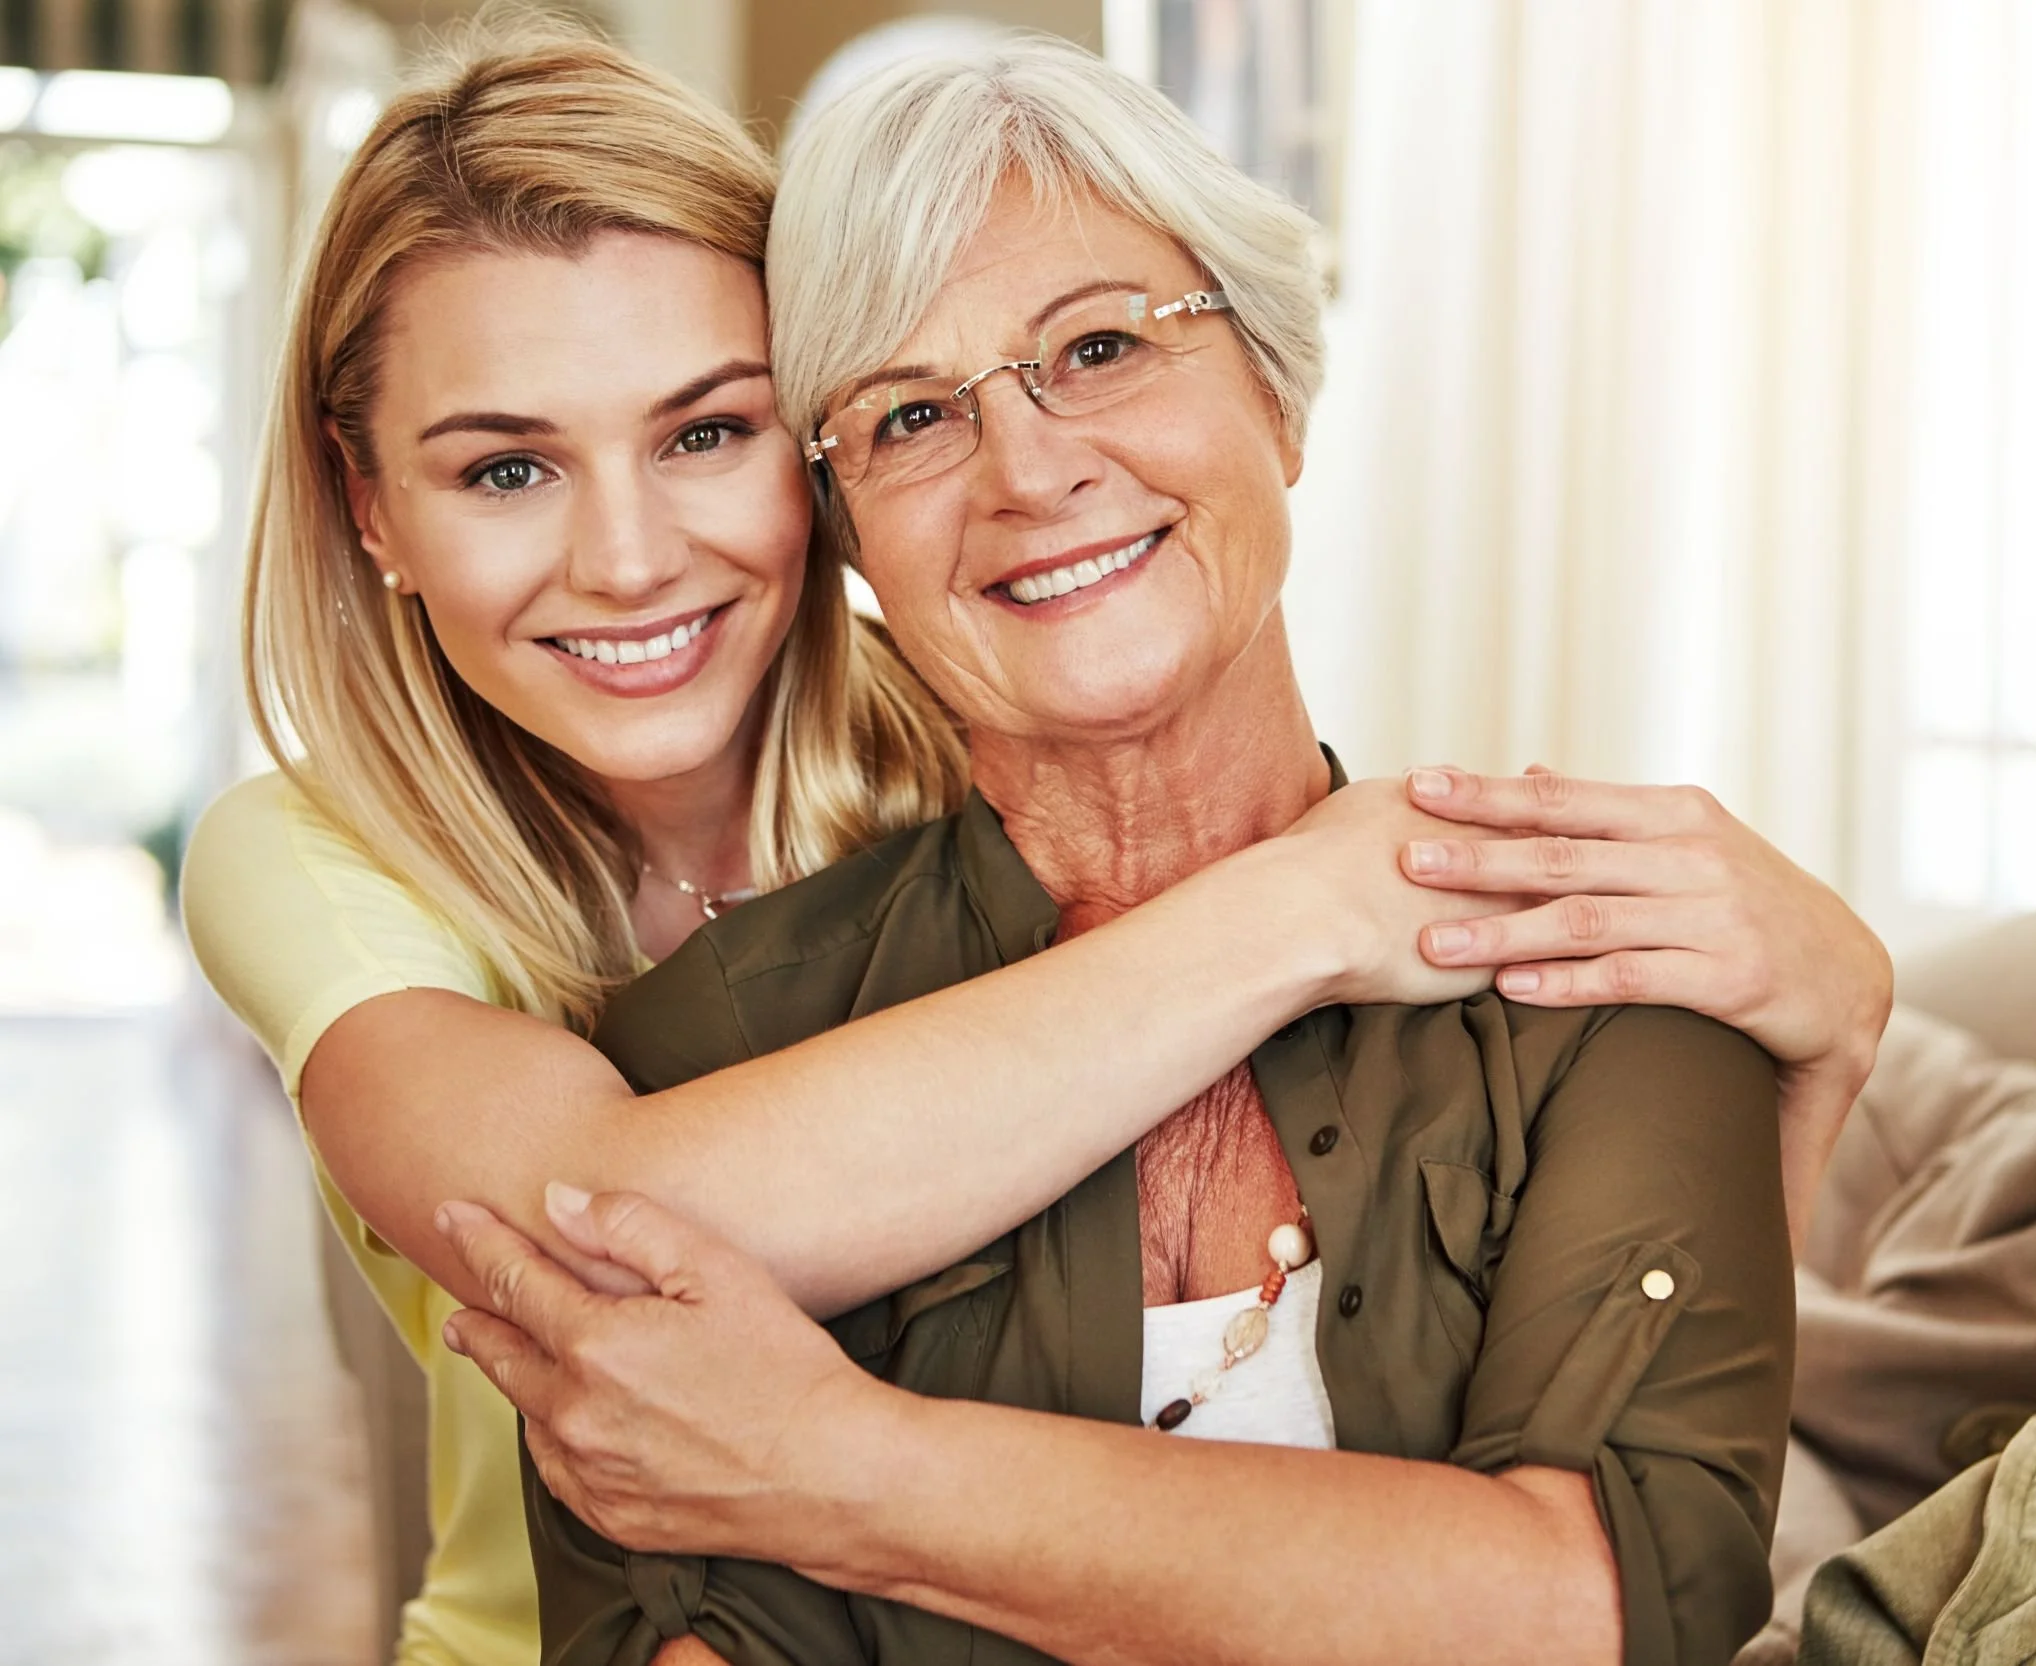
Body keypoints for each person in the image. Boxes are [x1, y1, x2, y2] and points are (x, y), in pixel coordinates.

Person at [451, 36, 1812, 1666]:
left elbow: (1602, 1603)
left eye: (1098, 347)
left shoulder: (1612, 959)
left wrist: (833, 1469)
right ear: (854, 536)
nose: (1030, 470)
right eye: (910, 417)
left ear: (1280, 397)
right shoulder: (713, 1057)